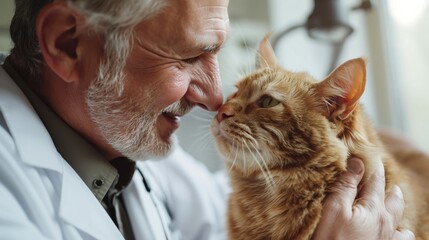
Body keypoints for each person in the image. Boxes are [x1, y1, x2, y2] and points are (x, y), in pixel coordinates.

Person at [0, 0, 415, 239]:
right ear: (67, 43)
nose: (216, 98)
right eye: (187, 57)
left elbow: (238, 206)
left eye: (215, 53)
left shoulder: (119, 140)